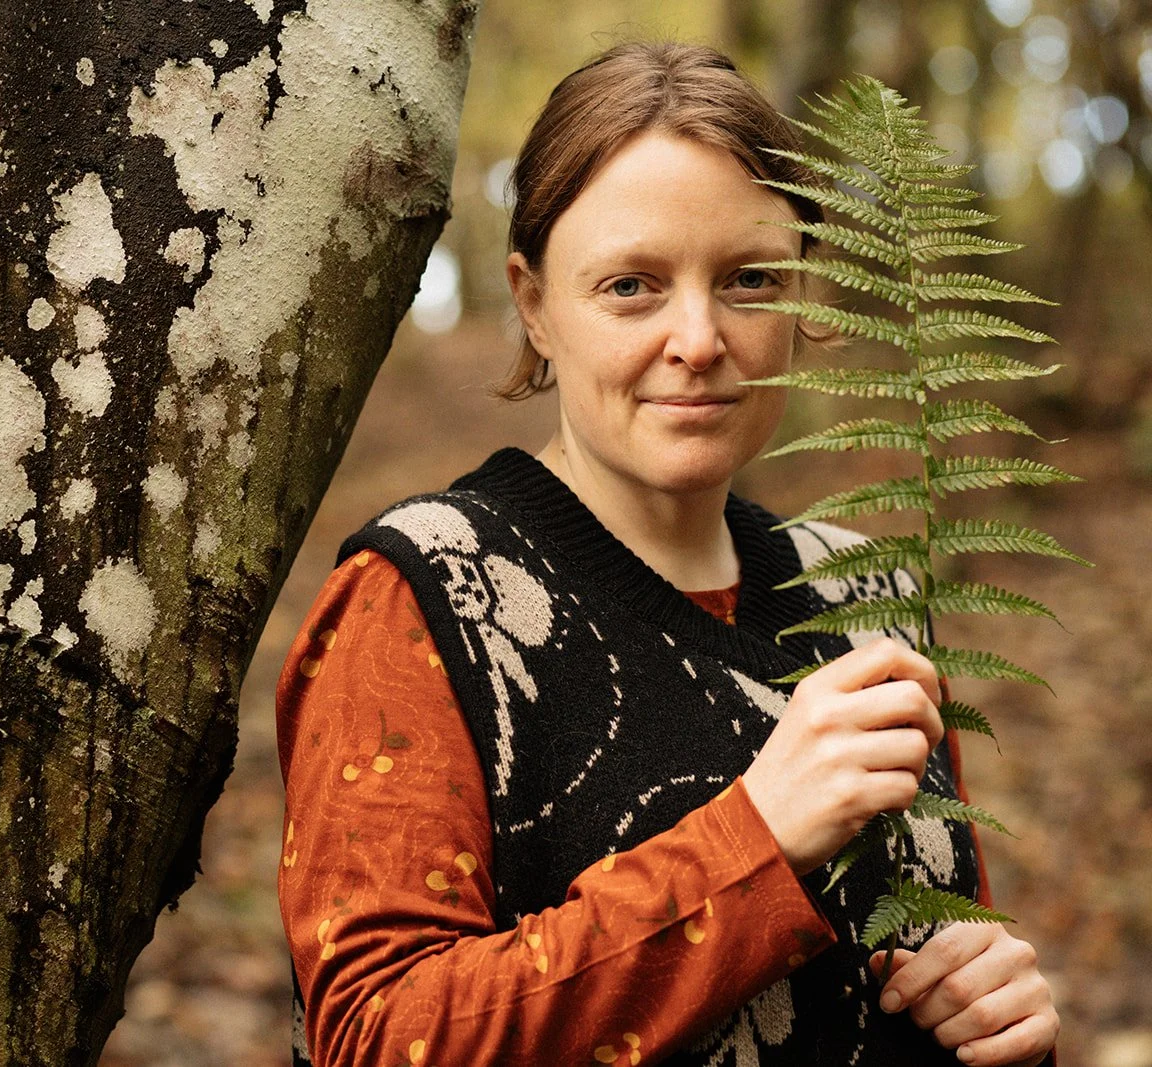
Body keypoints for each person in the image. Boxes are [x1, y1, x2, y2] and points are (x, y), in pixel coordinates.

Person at [275, 40, 1060, 1067]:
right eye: (632, 285)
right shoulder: (421, 594)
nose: (698, 337)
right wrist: (753, 843)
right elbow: (378, 1038)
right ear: (533, 302)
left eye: (748, 278)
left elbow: (928, 961)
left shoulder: (866, 591)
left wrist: (997, 1015)